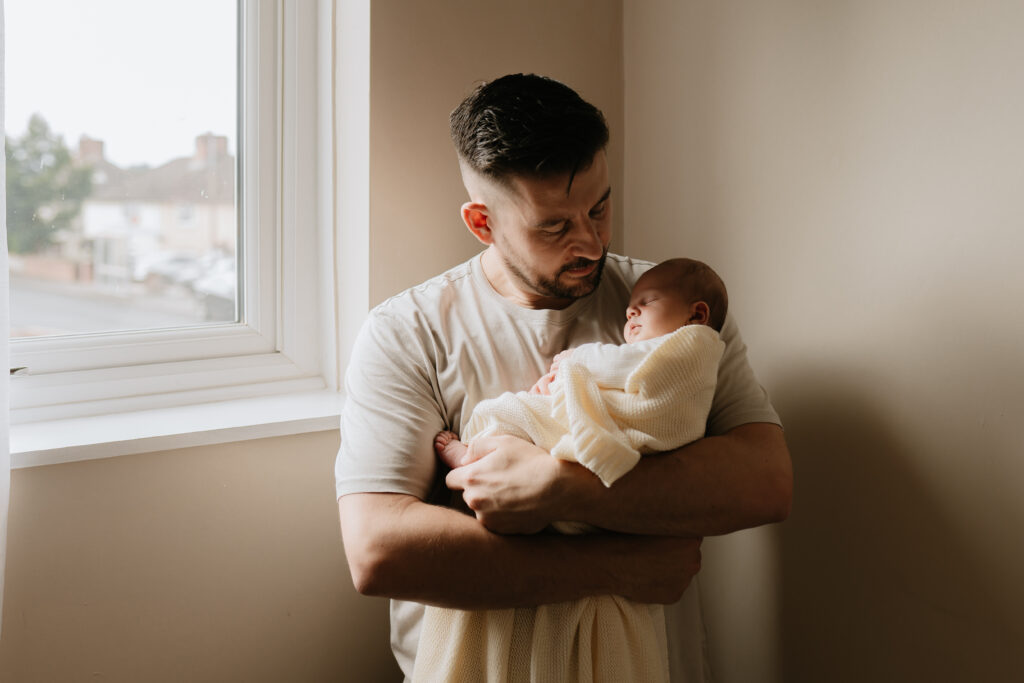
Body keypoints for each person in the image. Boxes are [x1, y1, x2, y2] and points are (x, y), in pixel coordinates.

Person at [336, 73, 792, 682]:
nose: (591, 242)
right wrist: (612, 567)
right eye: (553, 226)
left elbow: (765, 481)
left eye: (600, 207)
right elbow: (377, 551)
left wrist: (563, 488)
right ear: (482, 223)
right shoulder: (407, 331)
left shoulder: (673, 303)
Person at [413, 258, 729, 682]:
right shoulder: (412, 322)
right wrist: (567, 391)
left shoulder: (690, 348)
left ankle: (472, 455)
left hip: (633, 437)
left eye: (646, 304)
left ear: (697, 314)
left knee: (509, 414)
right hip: (621, 438)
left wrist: (573, 364)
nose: (630, 314)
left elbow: (624, 370)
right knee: (530, 416)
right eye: (629, 309)